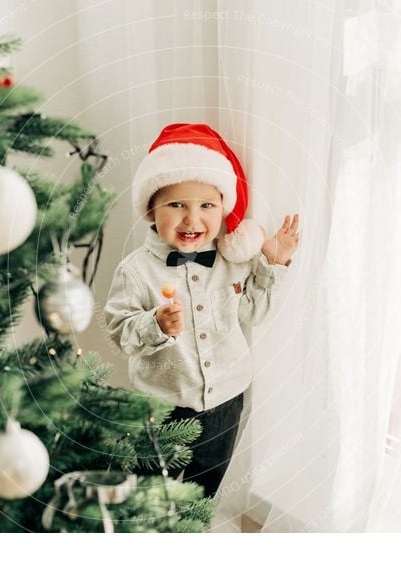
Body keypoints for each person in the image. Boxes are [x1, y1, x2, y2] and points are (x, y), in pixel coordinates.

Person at [103, 123, 300, 497]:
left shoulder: (233, 263)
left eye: (207, 206)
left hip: (226, 401)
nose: (192, 219)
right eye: (176, 205)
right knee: (150, 489)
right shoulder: (136, 270)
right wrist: (154, 324)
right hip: (161, 405)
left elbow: (252, 316)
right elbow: (119, 330)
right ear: (151, 209)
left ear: (223, 209)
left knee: (203, 490)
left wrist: (270, 265)